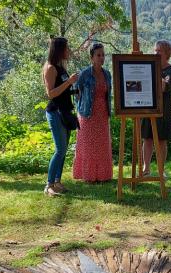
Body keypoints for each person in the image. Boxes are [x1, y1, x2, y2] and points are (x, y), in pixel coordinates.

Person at [42, 37, 79, 197]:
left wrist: (75, 89)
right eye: (66, 48)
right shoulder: (51, 68)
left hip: (64, 112)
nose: (68, 51)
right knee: (60, 149)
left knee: (63, 151)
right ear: (59, 50)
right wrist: (69, 82)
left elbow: (63, 91)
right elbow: (51, 94)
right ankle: (49, 185)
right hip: (55, 112)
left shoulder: (60, 67)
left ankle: (57, 182)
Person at [73, 43, 113, 182]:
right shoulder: (84, 74)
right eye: (98, 55)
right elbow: (76, 93)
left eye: (103, 55)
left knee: (102, 145)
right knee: (88, 145)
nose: (102, 57)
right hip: (87, 114)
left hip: (103, 113)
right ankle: (89, 176)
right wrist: (81, 108)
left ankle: (103, 176)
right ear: (92, 58)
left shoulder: (107, 74)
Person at [141, 40, 171, 178]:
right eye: (155, 50)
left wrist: (155, 71)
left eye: (159, 51)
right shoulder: (148, 68)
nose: (156, 53)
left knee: (162, 140)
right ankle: (146, 168)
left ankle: (161, 170)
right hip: (148, 107)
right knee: (147, 139)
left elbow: (165, 87)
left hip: (164, 110)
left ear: (167, 53)